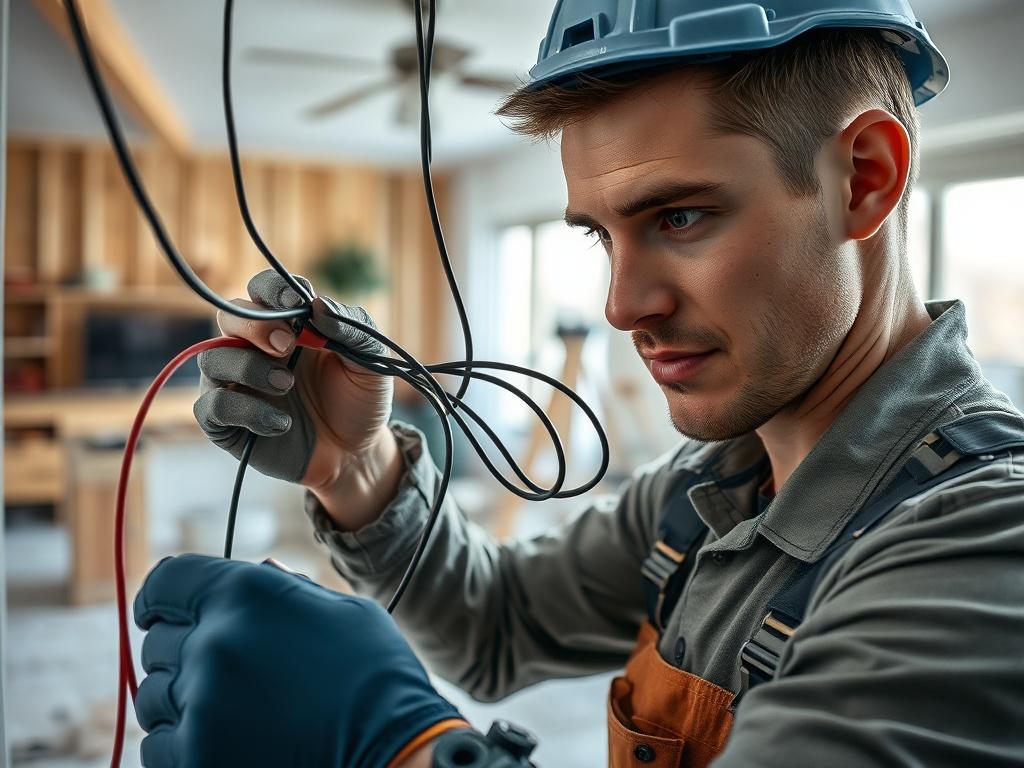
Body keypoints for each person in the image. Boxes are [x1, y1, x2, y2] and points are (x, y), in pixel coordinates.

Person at [133, 2, 1024, 766]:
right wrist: (355, 467)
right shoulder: (705, 489)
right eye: (600, 235)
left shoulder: (983, 553)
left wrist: (399, 749)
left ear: (864, 178)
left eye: (681, 216)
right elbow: (495, 626)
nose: (621, 306)